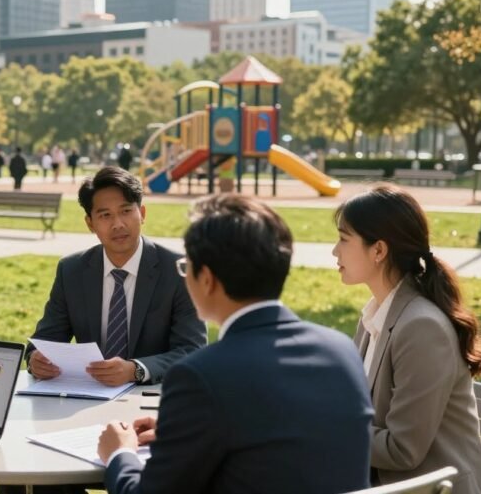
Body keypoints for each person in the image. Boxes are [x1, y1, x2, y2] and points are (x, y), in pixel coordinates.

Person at [97, 194, 373, 494]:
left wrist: (119, 453)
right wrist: (183, 427)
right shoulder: (342, 350)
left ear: (207, 279)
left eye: (186, 266)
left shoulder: (200, 376)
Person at [333, 185, 481, 494]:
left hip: (432, 487)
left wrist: (328, 431)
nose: (334, 251)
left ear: (379, 250)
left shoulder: (421, 327)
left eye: (343, 239)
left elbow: (402, 449)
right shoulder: (375, 315)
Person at [28, 166, 206, 387]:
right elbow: (45, 340)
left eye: (126, 211)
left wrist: (135, 370)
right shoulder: (71, 270)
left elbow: (192, 350)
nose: (118, 224)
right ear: (90, 223)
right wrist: (36, 360)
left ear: (142, 214)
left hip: (153, 398)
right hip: (86, 396)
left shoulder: (178, 270)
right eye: (105, 215)